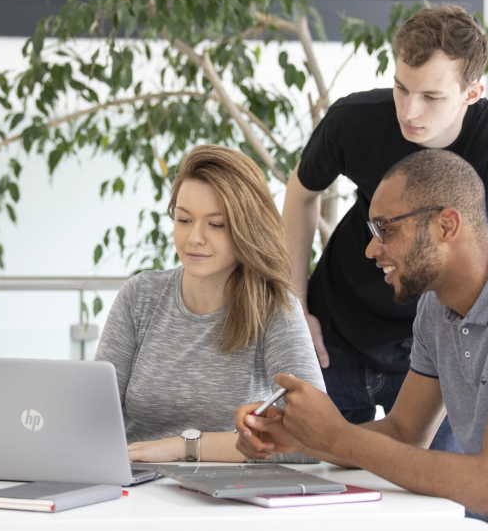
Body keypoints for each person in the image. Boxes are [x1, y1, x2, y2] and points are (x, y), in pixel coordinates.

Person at [282, 5, 488, 451]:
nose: (410, 111)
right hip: (335, 337)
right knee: (309, 482)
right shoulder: (354, 121)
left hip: (440, 355)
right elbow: (300, 196)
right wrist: (294, 307)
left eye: (432, 97)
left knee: (438, 503)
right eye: (401, 88)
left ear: (472, 93)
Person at [236, 150, 488, 529]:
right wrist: (298, 439)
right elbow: (404, 434)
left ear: (447, 225)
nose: (370, 248)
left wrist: (336, 436)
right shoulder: (435, 308)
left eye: (386, 229)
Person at [95, 144, 325, 463]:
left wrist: (181, 447)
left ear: (247, 227)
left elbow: (314, 440)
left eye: (215, 224)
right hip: (135, 489)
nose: (195, 238)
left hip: (229, 500)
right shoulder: (139, 296)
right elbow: (92, 416)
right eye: (184, 219)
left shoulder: (275, 307)